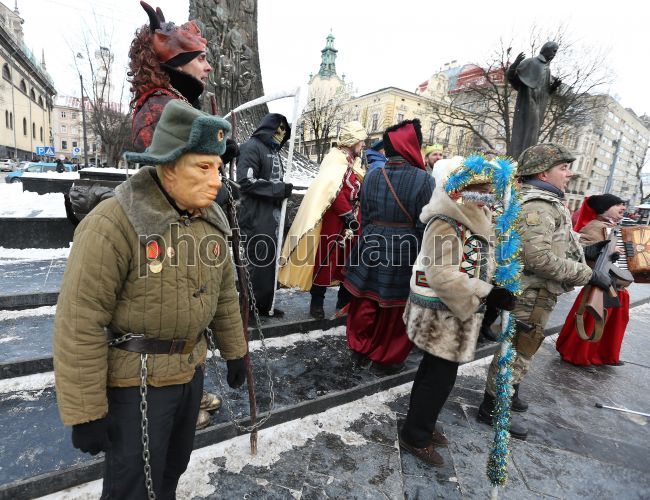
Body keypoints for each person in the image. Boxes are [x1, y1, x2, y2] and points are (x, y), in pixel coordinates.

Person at [53, 101, 248, 499]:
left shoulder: (210, 219)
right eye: (203, 167)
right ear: (169, 166)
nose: (216, 181)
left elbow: (225, 292)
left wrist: (235, 352)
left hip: (189, 372)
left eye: (218, 168)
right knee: (133, 486)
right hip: (136, 382)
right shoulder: (114, 222)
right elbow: (80, 318)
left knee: (172, 468)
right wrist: (86, 411)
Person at [126, 1, 234, 426]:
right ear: (177, 62)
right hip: (168, 233)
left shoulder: (176, 101)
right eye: (200, 58)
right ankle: (165, 405)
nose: (207, 67)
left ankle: (188, 390)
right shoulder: (160, 107)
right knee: (170, 316)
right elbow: (166, 178)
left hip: (189, 228)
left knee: (194, 311)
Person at [477, 143, 614, 439]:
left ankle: (509, 394)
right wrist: (588, 274)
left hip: (536, 292)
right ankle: (493, 408)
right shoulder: (538, 205)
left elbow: (557, 241)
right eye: (563, 168)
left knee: (523, 348)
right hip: (530, 292)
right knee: (515, 352)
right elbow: (537, 258)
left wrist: (589, 251)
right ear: (542, 173)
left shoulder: (546, 201)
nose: (569, 173)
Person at [399, 157, 516, 466]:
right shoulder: (445, 221)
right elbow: (442, 275)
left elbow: (476, 260)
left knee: (433, 374)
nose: (487, 197)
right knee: (438, 379)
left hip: (454, 311)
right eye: (481, 190)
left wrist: (498, 280)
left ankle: (419, 422)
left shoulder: (472, 217)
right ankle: (415, 435)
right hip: (441, 314)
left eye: (489, 190)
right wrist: (487, 292)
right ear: (461, 191)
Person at [343, 119, 435, 374]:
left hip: (370, 242)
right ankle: (386, 358)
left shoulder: (373, 174)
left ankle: (359, 348)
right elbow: (425, 223)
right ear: (411, 146)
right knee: (395, 307)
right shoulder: (424, 180)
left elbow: (365, 215)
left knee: (365, 299)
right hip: (405, 247)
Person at [278, 121, 367, 319]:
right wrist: (347, 214)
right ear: (352, 140)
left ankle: (344, 303)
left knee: (349, 262)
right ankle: (317, 302)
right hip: (335, 219)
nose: (363, 145)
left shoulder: (354, 161)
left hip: (354, 220)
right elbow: (331, 190)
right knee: (326, 260)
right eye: (361, 141)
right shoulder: (335, 159)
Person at [556, 194, 630, 366]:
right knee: (591, 320)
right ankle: (577, 355)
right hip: (599, 285)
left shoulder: (614, 228)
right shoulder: (594, 227)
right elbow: (582, 252)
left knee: (611, 325)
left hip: (615, 286)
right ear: (604, 209)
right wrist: (606, 254)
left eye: (623, 204)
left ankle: (603, 356)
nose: (623, 207)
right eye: (617, 204)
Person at [237, 113, 293, 317]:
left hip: (272, 216)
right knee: (257, 261)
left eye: (285, 130)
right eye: (279, 129)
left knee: (269, 262)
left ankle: (264, 304)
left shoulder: (273, 151)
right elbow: (246, 181)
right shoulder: (251, 147)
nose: (281, 134)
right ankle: (249, 308)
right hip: (255, 215)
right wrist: (279, 189)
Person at [507, 42, 562, 159]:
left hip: (539, 106)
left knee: (532, 134)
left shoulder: (547, 69)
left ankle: (524, 159)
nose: (554, 54)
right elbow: (511, 77)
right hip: (527, 103)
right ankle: (519, 159)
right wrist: (515, 64)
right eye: (554, 51)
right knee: (525, 132)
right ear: (546, 49)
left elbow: (545, 91)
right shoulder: (530, 62)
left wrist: (553, 87)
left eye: (556, 52)